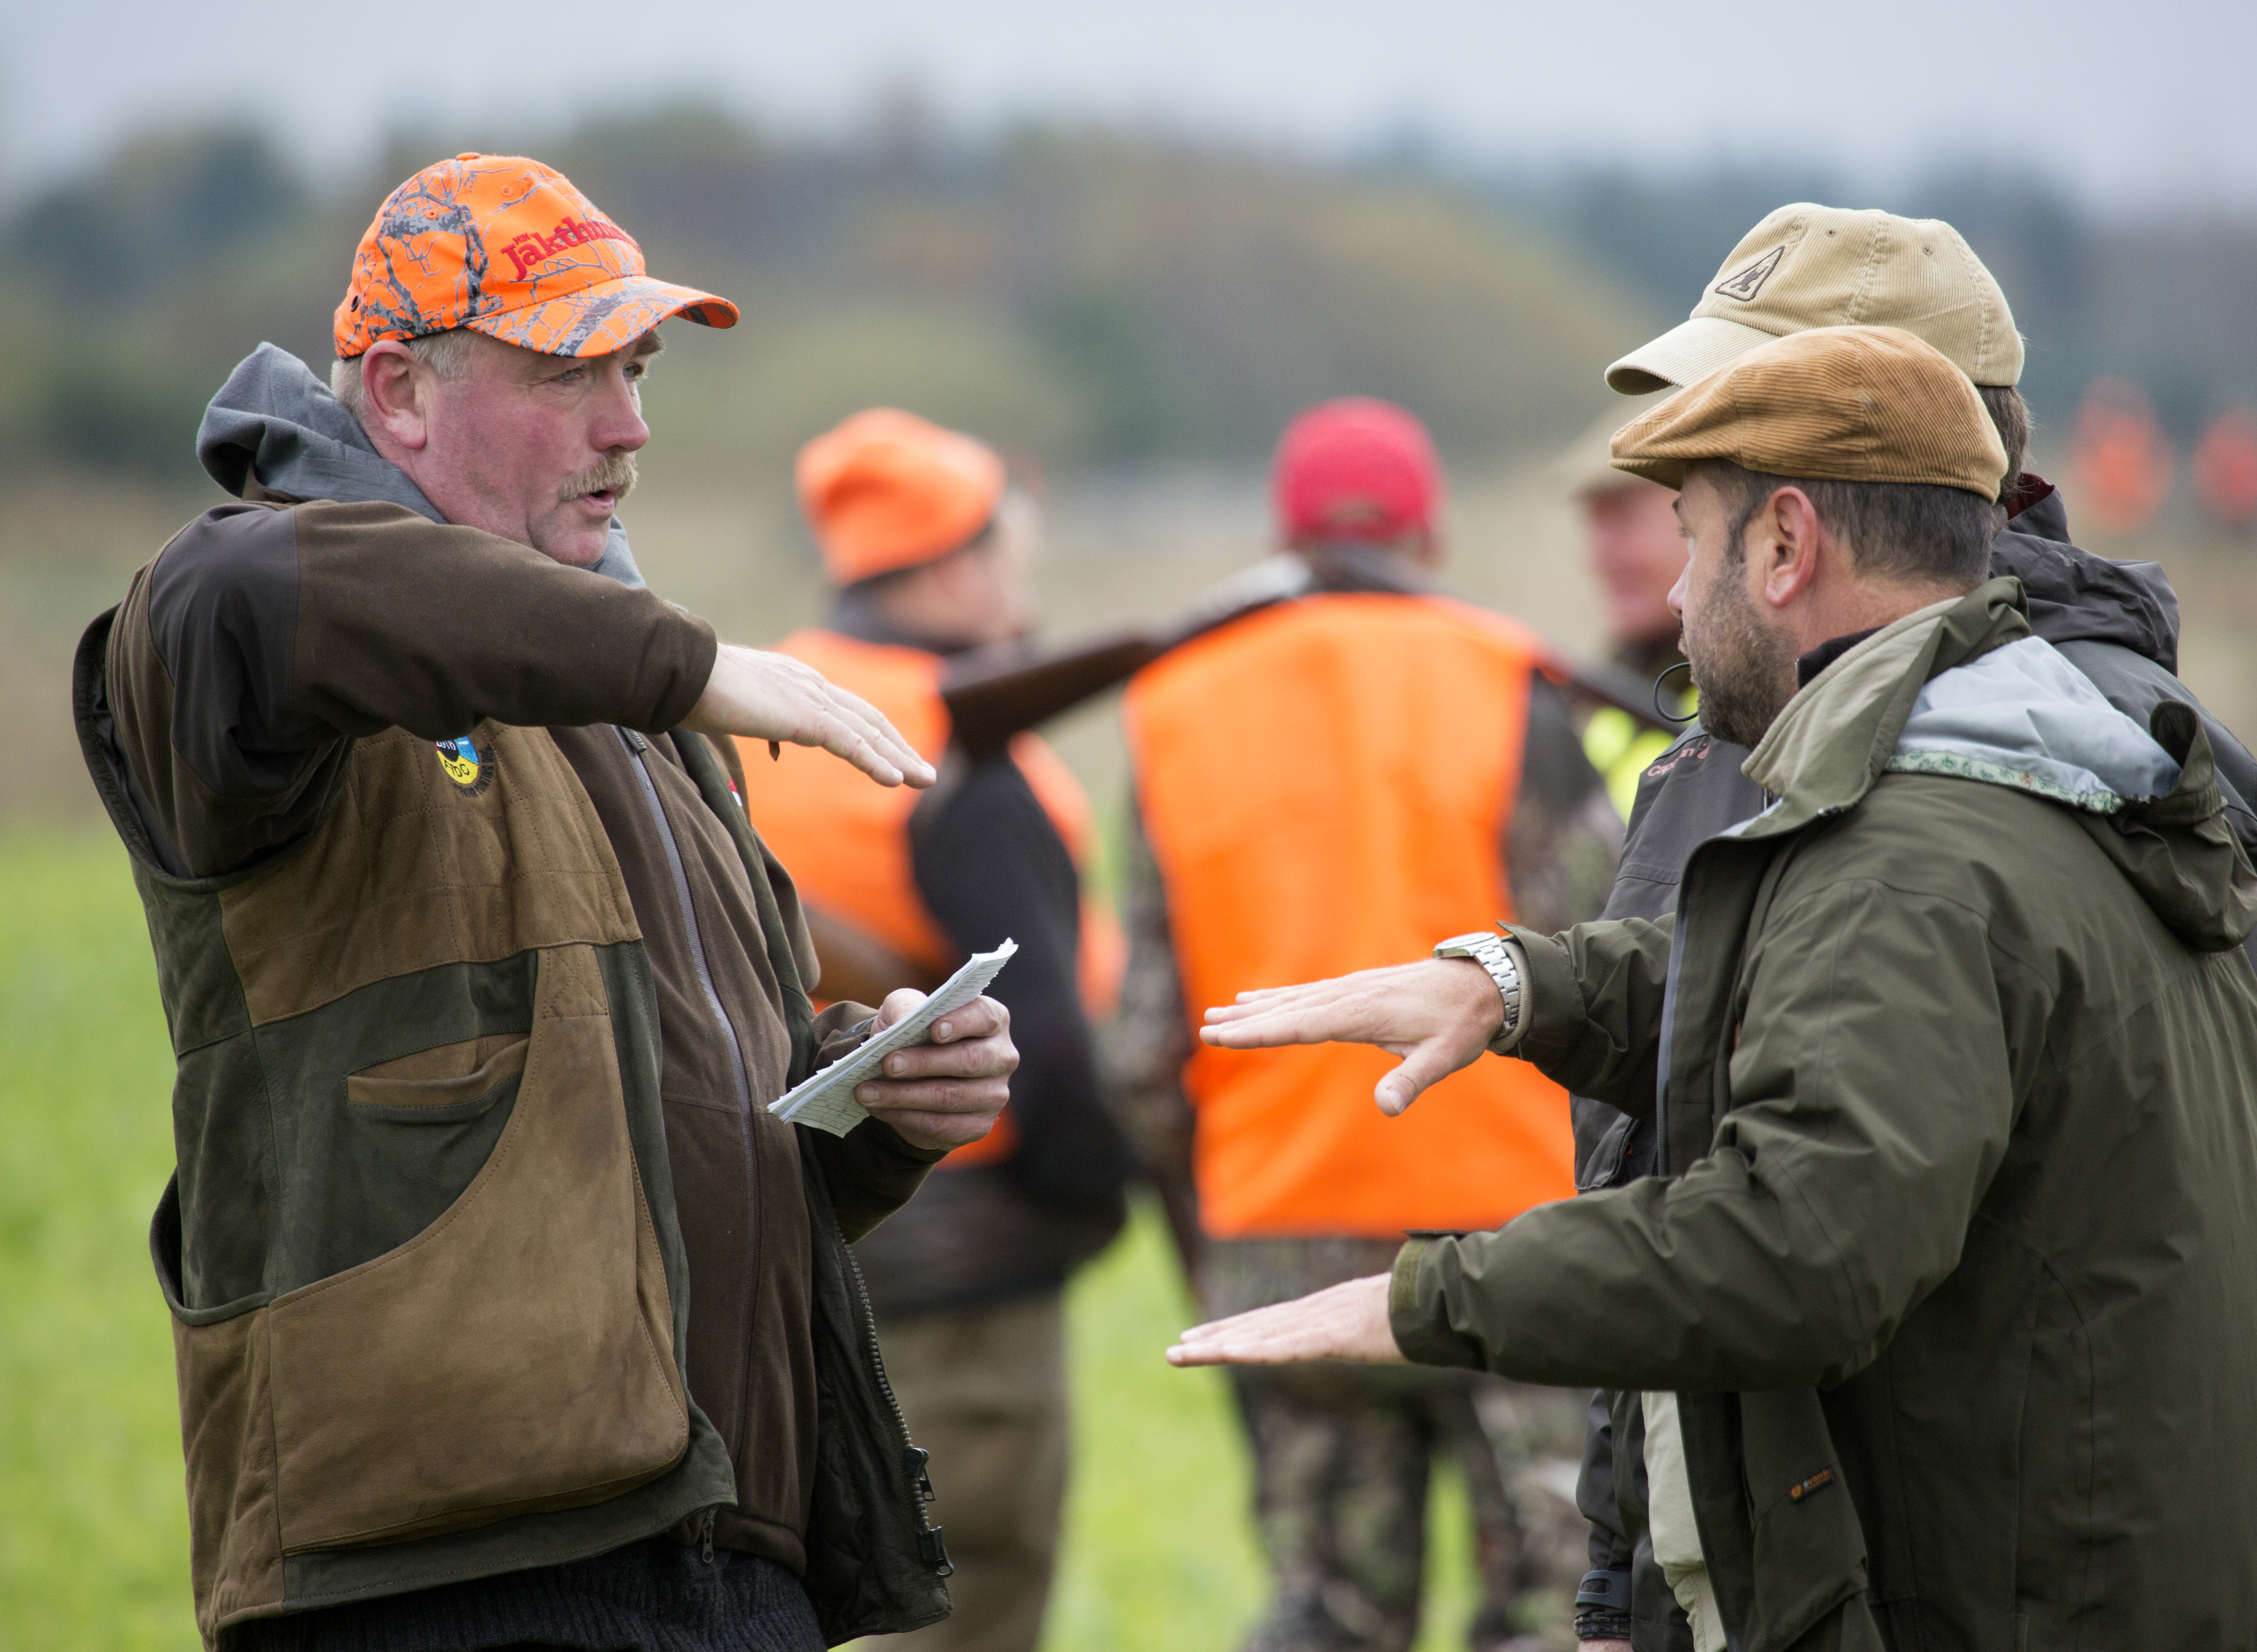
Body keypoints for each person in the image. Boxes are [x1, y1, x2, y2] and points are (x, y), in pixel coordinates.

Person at [1172, 325, 2257, 1652]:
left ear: (1784, 545)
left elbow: (1797, 1246)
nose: (1675, 601)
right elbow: (1808, 992)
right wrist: (1517, 984)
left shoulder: (1908, 858)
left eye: (1689, 539)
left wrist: (1425, 1297)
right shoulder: (2033, 773)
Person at [72, 153, 1024, 1652]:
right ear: (396, 397)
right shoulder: (238, 619)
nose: (630, 426)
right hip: (447, 1576)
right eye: (574, 370)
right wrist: (689, 665)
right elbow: (243, 593)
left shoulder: (634, 711)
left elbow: (690, 1148)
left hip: (722, 1557)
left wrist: (882, 1100)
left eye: (636, 369)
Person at [1561, 203, 2257, 1649]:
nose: (1699, 449)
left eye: (1741, 404)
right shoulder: (1731, 744)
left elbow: (1813, 1247)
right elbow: (1665, 1149)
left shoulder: (2107, 770)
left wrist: (1426, 1303)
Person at [1110, 397, 1621, 1652]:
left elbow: (1145, 1043)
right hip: (1513, 1238)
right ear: (1429, 534)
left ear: (1286, 534)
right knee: (1554, 1610)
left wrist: (1204, 1236)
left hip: (1285, 1239)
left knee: (1328, 1612)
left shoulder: (1176, 705)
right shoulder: (1514, 681)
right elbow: (1608, 964)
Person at [736, 408, 1133, 1652]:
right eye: (1011, 551)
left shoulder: (753, 711)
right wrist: (1095, 1198)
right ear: (954, 562)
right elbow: (1049, 1053)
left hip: (762, 1249)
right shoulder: (961, 755)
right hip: (961, 1277)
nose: (1024, 586)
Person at [1553, 410, 1692, 818]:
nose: (1601, 557)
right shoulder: (1606, 691)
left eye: (1623, 518)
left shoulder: (1761, 701)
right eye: (1593, 524)